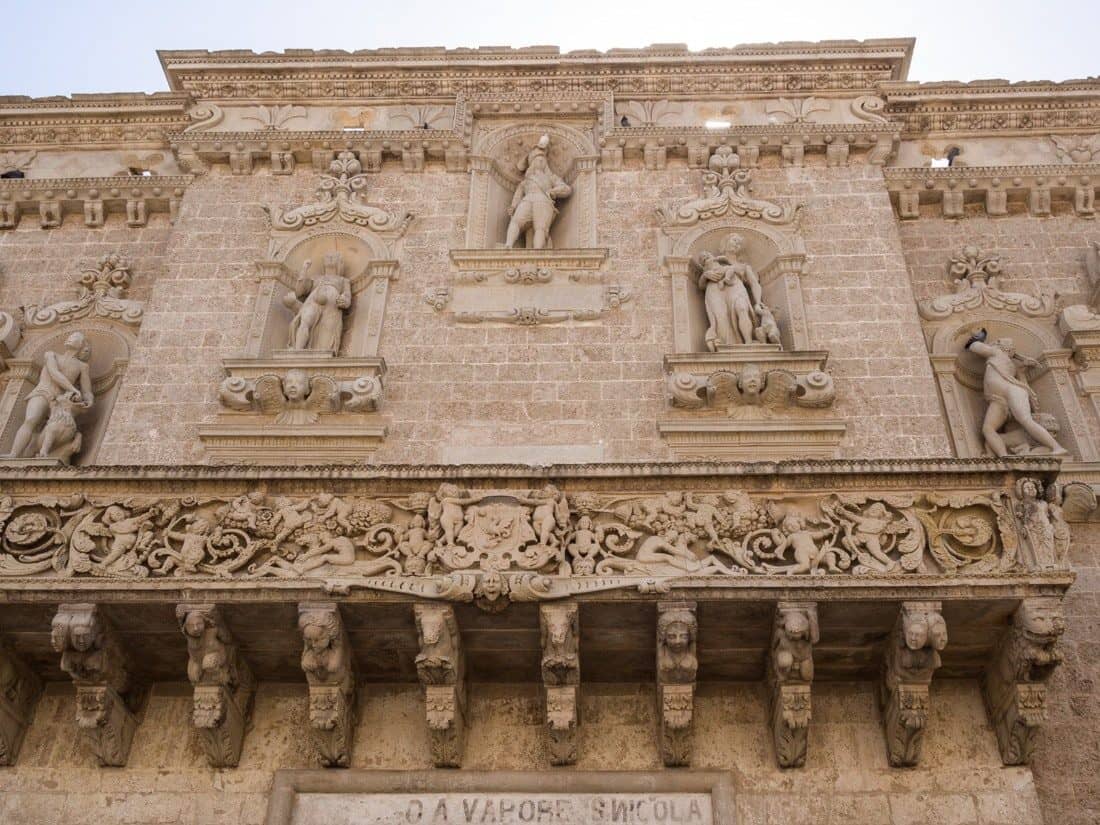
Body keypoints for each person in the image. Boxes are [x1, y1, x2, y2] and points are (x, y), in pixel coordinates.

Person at [965, 329, 1067, 457]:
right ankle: (1004, 456)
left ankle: (1056, 447)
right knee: (988, 429)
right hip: (998, 398)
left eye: (997, 342)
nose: (993, 344)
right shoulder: (1009, 362)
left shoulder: (996, 353)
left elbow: (975, 346)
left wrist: (978, 338)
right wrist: (1019, 357)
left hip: (1010, 392)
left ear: (1001, 347)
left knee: (1025, 420)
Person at [8, 331, 93, 459]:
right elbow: (54, 373)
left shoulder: (82, 366)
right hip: (43, 391)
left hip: (60, 401)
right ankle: (14, 454)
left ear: (82, 345)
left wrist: (89, 401)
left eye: (75, 337)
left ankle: (47, 453)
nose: (70, 338)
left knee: (59, 427)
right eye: (70, 336)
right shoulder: (51, 355)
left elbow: (87, 391)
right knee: (31, 419)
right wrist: (73, 390)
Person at [504, 135, 572, 250]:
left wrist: (553, 191)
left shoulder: (551, 178)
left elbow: (566, 189)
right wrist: (513, 206)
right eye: (536, 160)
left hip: (543, 201)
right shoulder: (525, 181)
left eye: (542, 160)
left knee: (540, 228)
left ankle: (538, 251)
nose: (540, 161)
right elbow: (518, 194)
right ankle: (508, 245)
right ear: (531, 163)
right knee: (516, 221)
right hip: (526, 200)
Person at [283, 253, 352, 352]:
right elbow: (300, 291)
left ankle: (321, 353)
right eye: (328, 256)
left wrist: (344, 301)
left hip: (332, 307)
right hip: (313, 300)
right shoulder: (316, 278)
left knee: (326, 332)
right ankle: (297, 350)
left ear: (340, 263)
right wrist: (304, 269)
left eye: (334, 257)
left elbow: (347, 295)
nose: (330, 257)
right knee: (306, 321)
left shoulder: (343, 280)